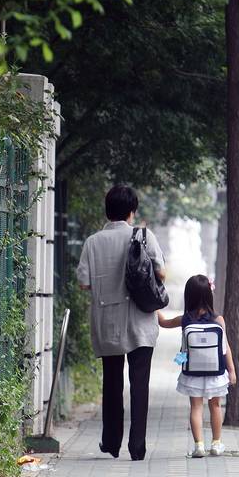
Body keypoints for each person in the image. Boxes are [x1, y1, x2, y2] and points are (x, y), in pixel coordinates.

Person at [76, 184, 166, 461]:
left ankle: (111, 442)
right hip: (140, 320)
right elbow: (161, 273)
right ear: (131, 211)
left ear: (107, 211)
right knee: (140, 385)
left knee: (112, 383)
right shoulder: (143, 235)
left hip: (108, 321)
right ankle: (137, 447)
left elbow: (84, 283)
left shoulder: (93, 242)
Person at [158, 274, 236, 457]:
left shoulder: (184, 320)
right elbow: (226, 348)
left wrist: (152, 305)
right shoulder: (218, 320)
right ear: (209, 294)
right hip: (216, 371)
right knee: (215, 406)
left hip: (193, 372)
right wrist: (231, 371)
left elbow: (163, 322)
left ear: (189, 296)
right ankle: (216, 444)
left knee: (196, 407)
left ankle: (199, 446)